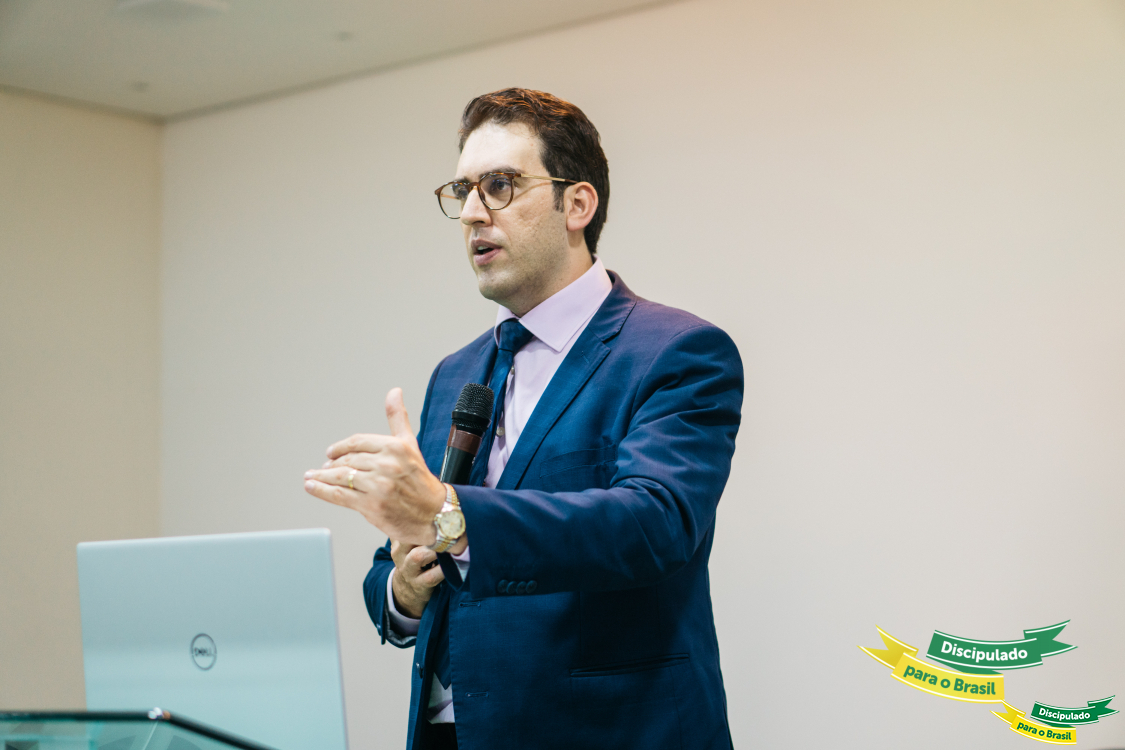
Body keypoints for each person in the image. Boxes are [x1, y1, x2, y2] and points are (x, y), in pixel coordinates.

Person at [304, 88, 743, 750]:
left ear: (577, 205)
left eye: (500, 186)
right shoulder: (455, 373)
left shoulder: (675, 351)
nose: (471, 212)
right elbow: (400, 565)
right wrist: (401, 589)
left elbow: (653, 525)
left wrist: (451, 517)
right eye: (463, 190)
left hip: (604, 733)